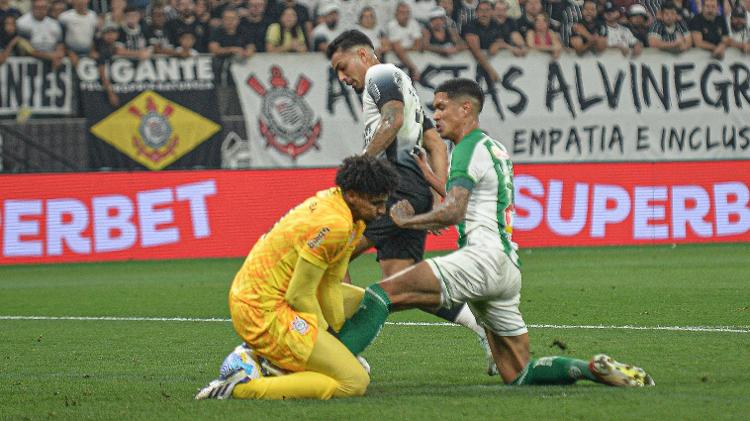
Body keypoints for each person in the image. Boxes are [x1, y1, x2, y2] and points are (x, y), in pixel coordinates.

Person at [334, 78, 656, 389]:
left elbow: (455, 210)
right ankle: (589, 368)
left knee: (381, 294)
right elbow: (464, 195)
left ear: (466, 109)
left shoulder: (466, 149)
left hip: (481, 258)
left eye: (442, 107)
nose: (436, 115)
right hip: (506, 268)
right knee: (519, 373)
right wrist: (430, 176)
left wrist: (407, 222)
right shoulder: (494, 148)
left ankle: (333, 362)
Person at [327, 29, 499, 376]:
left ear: (362, 55)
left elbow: (394, 119)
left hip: (393, 190)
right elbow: (434, 142)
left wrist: (361, 165)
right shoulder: (407, 89)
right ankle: (485, 328)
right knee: (401, 281)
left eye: (342, 67)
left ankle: (343, 347)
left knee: (334, 250)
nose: (343, 78)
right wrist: (437, 199)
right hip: (411, 190)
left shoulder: (380, 74)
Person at [195, 155, 399, 400]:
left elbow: (331, 282)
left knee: (364, 302)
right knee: (353, 381)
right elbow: (299, 294)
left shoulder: (348, 216)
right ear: (353, 195)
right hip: (261, 310)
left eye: (383, 203)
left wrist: (336, 340)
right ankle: (238, 387)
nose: (381, 211)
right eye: (376, 203)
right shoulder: (335, 224)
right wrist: (330, 338)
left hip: (272, 297)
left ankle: (270, 361)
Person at [16, 0, 65, 68]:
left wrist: (59, 55)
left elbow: (60, 43)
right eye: (38, 7)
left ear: (47, 8)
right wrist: (50, 56)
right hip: (29, 63)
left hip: (52, 62)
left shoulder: (54, 24)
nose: (40, 10)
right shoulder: (22, 23)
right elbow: (28, 49)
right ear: (32, 8)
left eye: (43, 8)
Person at [386, 1, 423, 81]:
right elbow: (398, 49)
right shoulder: (392, 25)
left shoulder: (414, 23)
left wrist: (401, 48)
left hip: (413, 61)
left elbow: (418, 45)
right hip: (396, 63)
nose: (405, 15)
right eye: (402, 12)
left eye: (407, 12)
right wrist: (413, 68)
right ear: (396, 14)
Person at [58, 0, 98, 66]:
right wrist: (69, 52)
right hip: (70, 52)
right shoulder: (64, 17)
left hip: (88, 52)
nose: (81, 2)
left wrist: (92, 50)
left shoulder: (93, 16)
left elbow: (94, 35)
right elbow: (61, 38)